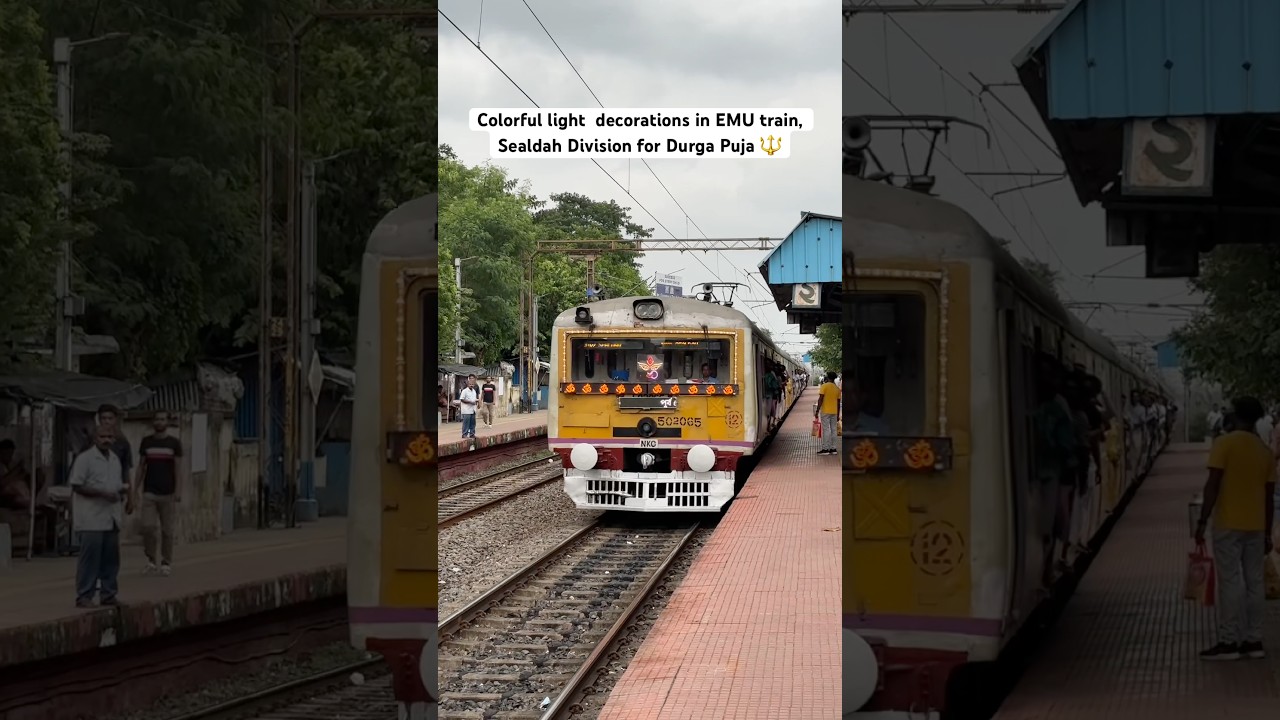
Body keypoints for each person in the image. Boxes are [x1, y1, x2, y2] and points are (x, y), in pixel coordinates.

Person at [1194, 396, 1275, 661]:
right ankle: (1253, 640)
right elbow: (1268, 495)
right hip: (1256, 525)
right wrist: (1267, 532)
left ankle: (1228, 642)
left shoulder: (1224, 444)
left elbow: (1212, 484)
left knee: (1230, 582)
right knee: (1255, 582)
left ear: (1236, 415)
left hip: (1228, 523)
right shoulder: (1264, 452)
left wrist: (1202, 520)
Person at [70, 424, 128, 607]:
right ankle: (84, 595)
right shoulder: (85, 459)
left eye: (110, 437)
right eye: (103, 437)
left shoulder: (115, 460)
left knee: (111, 559)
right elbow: (76, 486)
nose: (106, 440)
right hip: (91, 518)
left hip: (111, 518)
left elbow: (117, 485)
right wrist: (102, 494)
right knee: (90, 559)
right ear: (96, 438)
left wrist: (122, 493)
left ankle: (108, 593)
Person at [135, 410, 183, 576]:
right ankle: (150, 559)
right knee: (148, 527)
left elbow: (177, 468)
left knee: (167, 530)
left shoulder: (174, 443)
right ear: (153, 422)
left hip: (168, 492)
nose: (160, 422)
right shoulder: (146, 442)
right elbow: (141, 466)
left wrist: (178, 490)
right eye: (157, 419)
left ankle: (166, 561)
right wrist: (135, 489)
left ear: (167, 422)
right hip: (149, 491)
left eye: (163, 419)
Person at [815, 371, 841, 455]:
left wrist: (817, 410)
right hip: (834, 412)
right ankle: (833, 449)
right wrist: (838, 414)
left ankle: (825, 449)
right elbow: (838, 403)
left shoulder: (824, 386)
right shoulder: (837, 389)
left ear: (828, 377)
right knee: (834, 430)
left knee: (826, 430)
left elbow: (820, 399)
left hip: (825, 411)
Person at [457, 375, 479, 439]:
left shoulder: (474, 391)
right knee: (466, 423)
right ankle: (464, 434)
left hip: (473, 409)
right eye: (470, 384)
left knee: (473, 423)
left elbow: (474, 399)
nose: (471, 385)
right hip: (466, 410)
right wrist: (470, 402)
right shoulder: (464, 391)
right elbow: (462, 399)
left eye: (472, 384)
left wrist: (478, 402)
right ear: (467, 384)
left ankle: (472, 434)